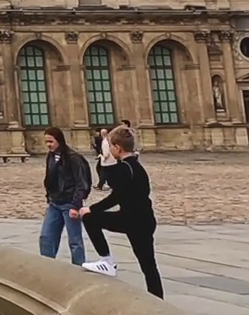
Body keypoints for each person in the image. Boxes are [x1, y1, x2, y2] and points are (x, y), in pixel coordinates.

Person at [73, 126, 163, 298]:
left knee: (90, 218)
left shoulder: (124, 168)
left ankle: (106, 261)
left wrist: (91, 208)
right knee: (148, 265)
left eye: (110, 146)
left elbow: (116, 196)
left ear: (117, 147)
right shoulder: (135, 166)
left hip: (132, 220)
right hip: (144, 219)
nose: (109, 150)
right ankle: (158, 299)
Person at [38, 126, 91, 265]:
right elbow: (50, 178)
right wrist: (49, 195)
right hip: (54, 202)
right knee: (46, 237)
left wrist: (75, 205)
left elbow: (81, 183)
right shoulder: (50, 156)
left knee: (75, 240)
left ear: (59, 140)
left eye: (51, 141)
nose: (48, 145)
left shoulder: (73, 158)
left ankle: (78, 267)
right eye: (46, 142)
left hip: (69, 203)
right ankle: (47, 265)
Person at [95, 127, 117, 191]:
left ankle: (101, 185)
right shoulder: (109, 140)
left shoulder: (105, 142)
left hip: (107, 161)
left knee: (103, 173)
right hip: (112, 160)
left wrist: (103, 158)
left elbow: (106, 153)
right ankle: (108, 184)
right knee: (109, 173)